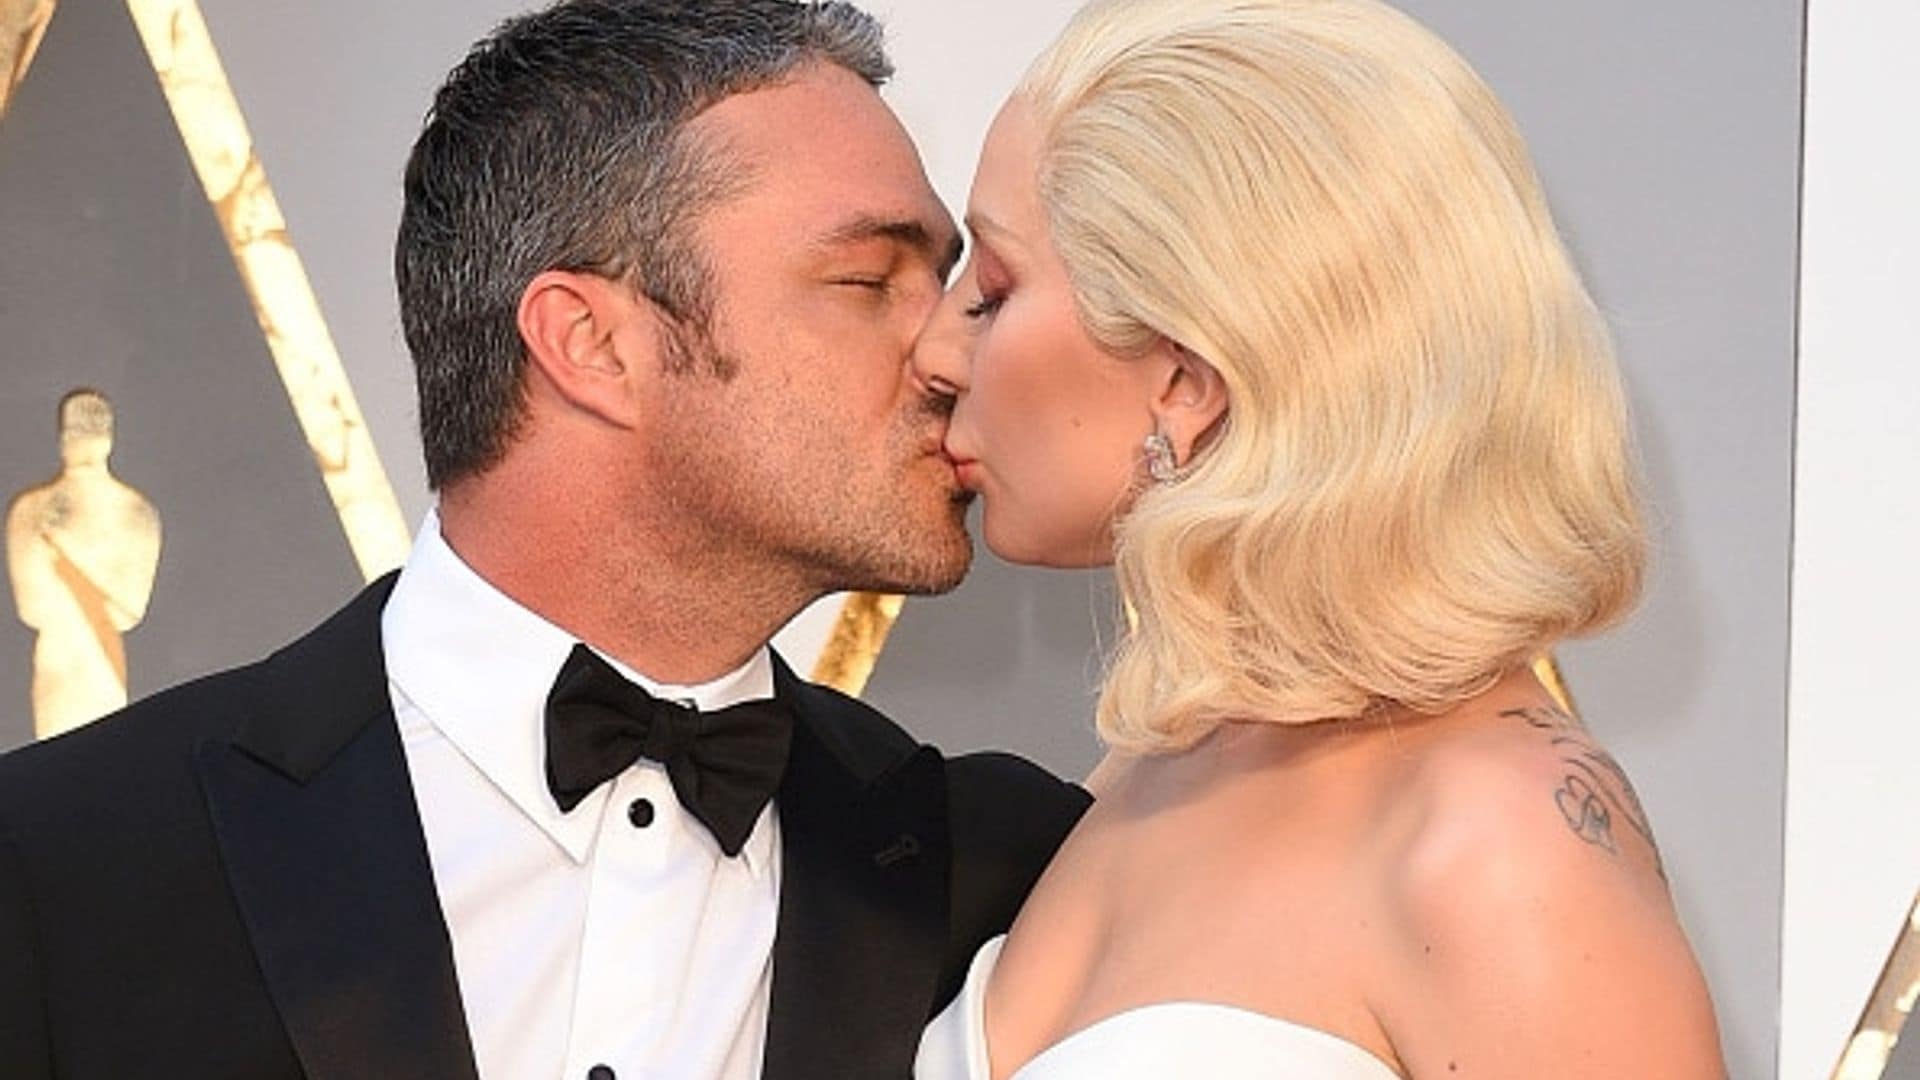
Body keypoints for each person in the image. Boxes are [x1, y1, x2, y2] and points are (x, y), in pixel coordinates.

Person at [0, 3, 1087, 1078]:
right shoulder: (59, 863)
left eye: (954, 287)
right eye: (868, 282)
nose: (951, 352)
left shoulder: (1008, 872)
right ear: (590, 343)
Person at [909, 0, 1725, 1076]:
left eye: (996, 290)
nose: (934, 348)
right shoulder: (1151, 770)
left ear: (1186, 378)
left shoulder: (1500, 846)